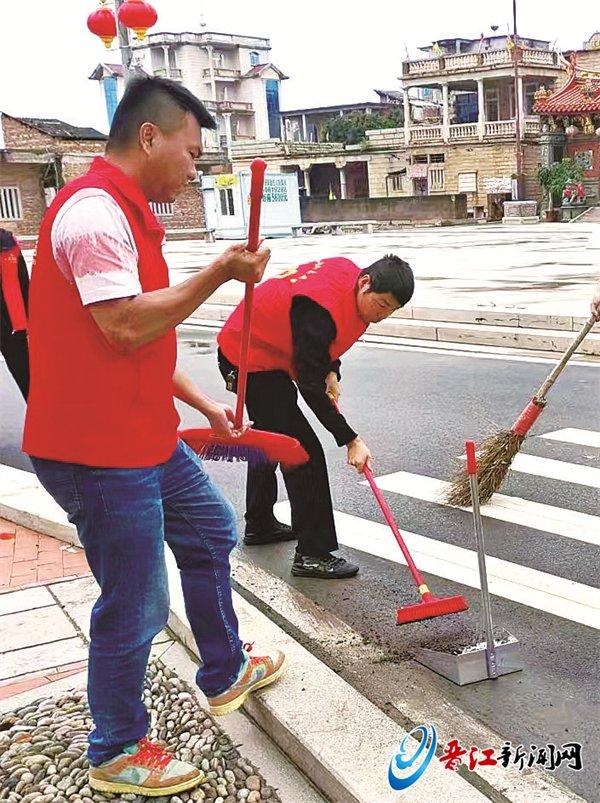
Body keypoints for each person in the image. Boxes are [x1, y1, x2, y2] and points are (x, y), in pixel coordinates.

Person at [22, 76, 285, 799]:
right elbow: (125, 324)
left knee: (208, 529)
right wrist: (221, 273)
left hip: (140, 433)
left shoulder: (130, 215)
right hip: (95, 449)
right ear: (150, 137)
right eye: (192, 152)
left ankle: (224, 666)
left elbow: (139, 342)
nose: (196, 168)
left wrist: (209, 406)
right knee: (135, 599)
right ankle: (115, 745)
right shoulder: (94, 216)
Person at [217, 254, 414, 579]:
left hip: (264, 350)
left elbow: (319, 348)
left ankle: (260, 523)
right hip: (249, 358)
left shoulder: (346, 275)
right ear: (365, 283)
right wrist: (350, 439)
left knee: (273, 437)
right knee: (302, 452)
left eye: (390, 310)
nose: (381, 315)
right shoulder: (320, 308)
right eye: (380, 305)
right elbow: (309, 382)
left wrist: (332, 371)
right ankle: (313, 554)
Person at [0, 229, 29, 399]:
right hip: (8, 332)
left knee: (31, 384)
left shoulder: (9, 243)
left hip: (19, 329)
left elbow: (25, 284)